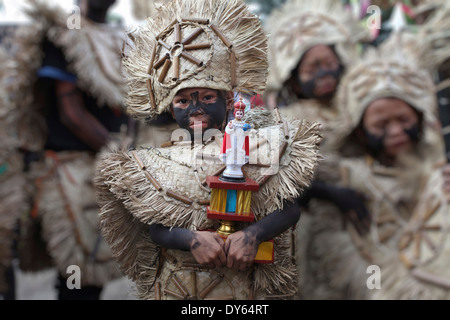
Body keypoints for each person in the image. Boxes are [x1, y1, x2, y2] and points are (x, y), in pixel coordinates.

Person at [95, 0, 322, 300]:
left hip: (247, 290)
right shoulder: (158, 162)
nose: (196, 109)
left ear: (228, 101)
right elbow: (156, 229)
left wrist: (253, 235)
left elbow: (289, 208)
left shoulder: (260, 144)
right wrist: (191, 240)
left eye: (206, 97)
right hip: (181, 287)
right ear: (170, 107)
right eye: (183, 102)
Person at [298, 28, 450, 299]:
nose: (395, 131)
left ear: (420, 118)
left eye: (403, 120)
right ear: (360, 131)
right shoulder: (347, 177)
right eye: (381, 125)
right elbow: (346, 260)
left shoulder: (440, 166)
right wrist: (380, 290)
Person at [13, 0, 132, 299]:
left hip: (105, 168)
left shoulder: (118, 38)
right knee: (78, 277)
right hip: (72, 172)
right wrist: (119, 153)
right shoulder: (66, 32)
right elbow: (71, 113)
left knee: (93, 276)